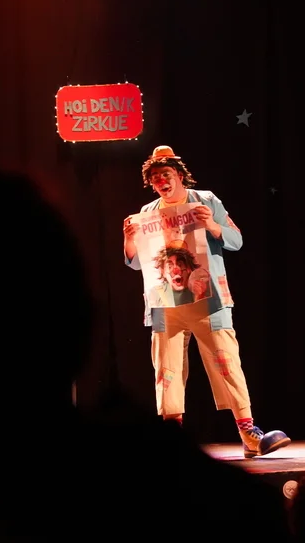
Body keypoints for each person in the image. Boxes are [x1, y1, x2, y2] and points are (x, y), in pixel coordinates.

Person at [123, 145, 291, 458]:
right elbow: (135, 263)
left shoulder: (206, 200)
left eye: (166, 174)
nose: (161, 181)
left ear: (179, 175)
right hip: (164, 303)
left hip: (208, 299)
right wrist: (129, 239)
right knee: (166, 369)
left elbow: (236, 241)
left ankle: (248, 433)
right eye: (155, 177)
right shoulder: (147, 213)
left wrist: (212, 225)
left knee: (226, 360)